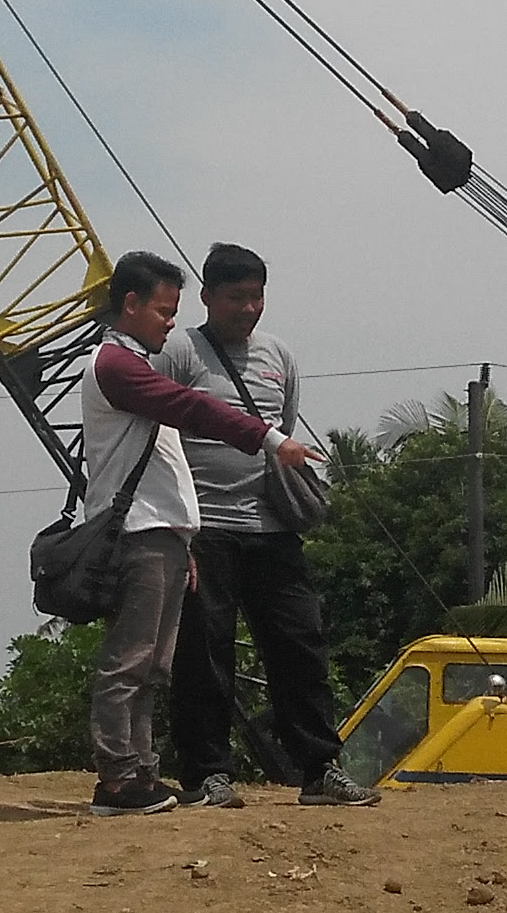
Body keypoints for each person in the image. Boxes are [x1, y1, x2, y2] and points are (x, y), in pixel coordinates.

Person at [74, 249, 317, 817]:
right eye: (162, 310)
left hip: (166, 532)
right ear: (129, 304)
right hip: (138, 531)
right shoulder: (117, 366)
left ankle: (140, 773)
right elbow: (192, 407)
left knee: (154, 664)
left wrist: (183, 537)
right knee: (130, 661)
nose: (169, 322)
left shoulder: (133, 362)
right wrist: (270, 439)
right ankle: (117, 779)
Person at [160, 243, 378, 807]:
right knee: (204, 654)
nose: (249, 309)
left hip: (272, 530)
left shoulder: (278, 354)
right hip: (203, 529)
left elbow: (280, 434)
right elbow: (158, 436)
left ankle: (319, 769)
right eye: (237, 297)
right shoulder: (180, 351)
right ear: (206, 297)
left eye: (257, 297)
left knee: (299, 645)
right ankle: (206, 774)